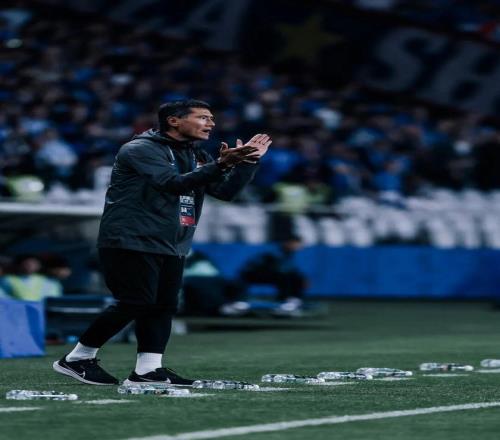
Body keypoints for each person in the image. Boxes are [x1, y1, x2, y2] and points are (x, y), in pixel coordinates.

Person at [53, 99, 271, 386]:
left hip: (172, 241)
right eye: (203, 117)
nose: (211, 123)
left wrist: (247, 161)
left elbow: (225, 191)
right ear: (174, 121)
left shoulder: (196, 153)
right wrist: (221, 164)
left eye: (211, 118)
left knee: (163, 305)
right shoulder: (140, 149)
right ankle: (77, 358)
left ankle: (148, 370)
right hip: (131, 238)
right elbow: (171, 183)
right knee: (136, 301)